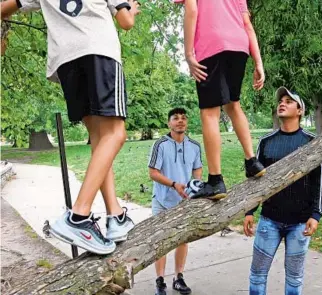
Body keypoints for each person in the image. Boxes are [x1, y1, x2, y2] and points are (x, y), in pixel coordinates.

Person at [1, 0, 141, 255]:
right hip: (99, 50)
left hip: (66, 63)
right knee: (115, 134)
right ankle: (78, 217)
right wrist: (130, 8)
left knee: (100, 140)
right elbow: (126, 22)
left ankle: (116, 215)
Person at [174, 0, 266, 200]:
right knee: (233, 105)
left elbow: (191, 10)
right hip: (239, 46)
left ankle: (215, 180)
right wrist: (258, 62)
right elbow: (248, 25)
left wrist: (189, 54)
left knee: (209, 112)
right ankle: (252, 161)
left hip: (211, 44)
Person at [244, 87, 322, 295]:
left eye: (289, 101)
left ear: (300, 110)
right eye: (281, 100)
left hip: (300, 223)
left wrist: (316, 215)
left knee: (294, 278)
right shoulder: (266, 142)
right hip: (269, 220)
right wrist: (248, 211)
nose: (282, 103)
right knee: (257, 275)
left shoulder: (312, 142)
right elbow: (255, 182)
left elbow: (320, 180)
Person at [148, 108, 202, 295]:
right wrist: (174, 184)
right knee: (161, 242)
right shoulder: (160, 144)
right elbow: (153, 173)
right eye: (175, 118)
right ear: (169, 123)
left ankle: (178, 278)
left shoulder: (194, 146)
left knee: (182, 240)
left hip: (184, 202)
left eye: (183, 118)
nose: (180, 121)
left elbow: (197, 170)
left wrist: (195, 187)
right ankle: (160, 281)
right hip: (162, 201)